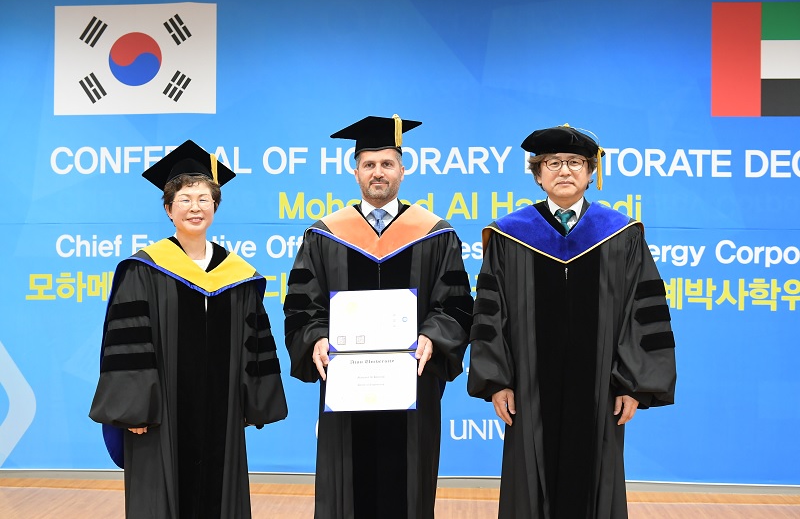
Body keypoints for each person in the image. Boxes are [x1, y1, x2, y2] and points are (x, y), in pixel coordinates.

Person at [467, 124, 677, 518]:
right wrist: (497, 380)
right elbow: (490, 313)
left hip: (600, 391)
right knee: (531, 478)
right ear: (538, 174)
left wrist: (632, 383)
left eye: (576, 162)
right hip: (529, 390)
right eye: (553, 163)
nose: (565, 170)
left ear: (591, 172)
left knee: (594, 478)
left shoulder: (621, 234)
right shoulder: (510, 236)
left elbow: (642, 309)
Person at [283, 115, 473, 519]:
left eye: (387, 164)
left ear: (403, 170)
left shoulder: (435, 234)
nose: (378, 172)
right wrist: (315, 337)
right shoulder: (324, 235)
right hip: (346, 384)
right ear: (355, 172)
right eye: (369, 164)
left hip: (413, 383)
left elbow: (455, 303)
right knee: (347, 486)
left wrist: (433, 336)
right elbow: (302, 304)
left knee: (408, 485)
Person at [89, 140, 288, 518]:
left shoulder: (238, 275)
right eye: (184, 199)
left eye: (203, 199)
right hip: (161, 417)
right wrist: (134, 409)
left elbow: (254, 343)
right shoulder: (144, 269)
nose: (195, 207)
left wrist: (252, 399)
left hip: (222, 415)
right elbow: (129, 345)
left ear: (215, 206)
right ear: (168, 209)